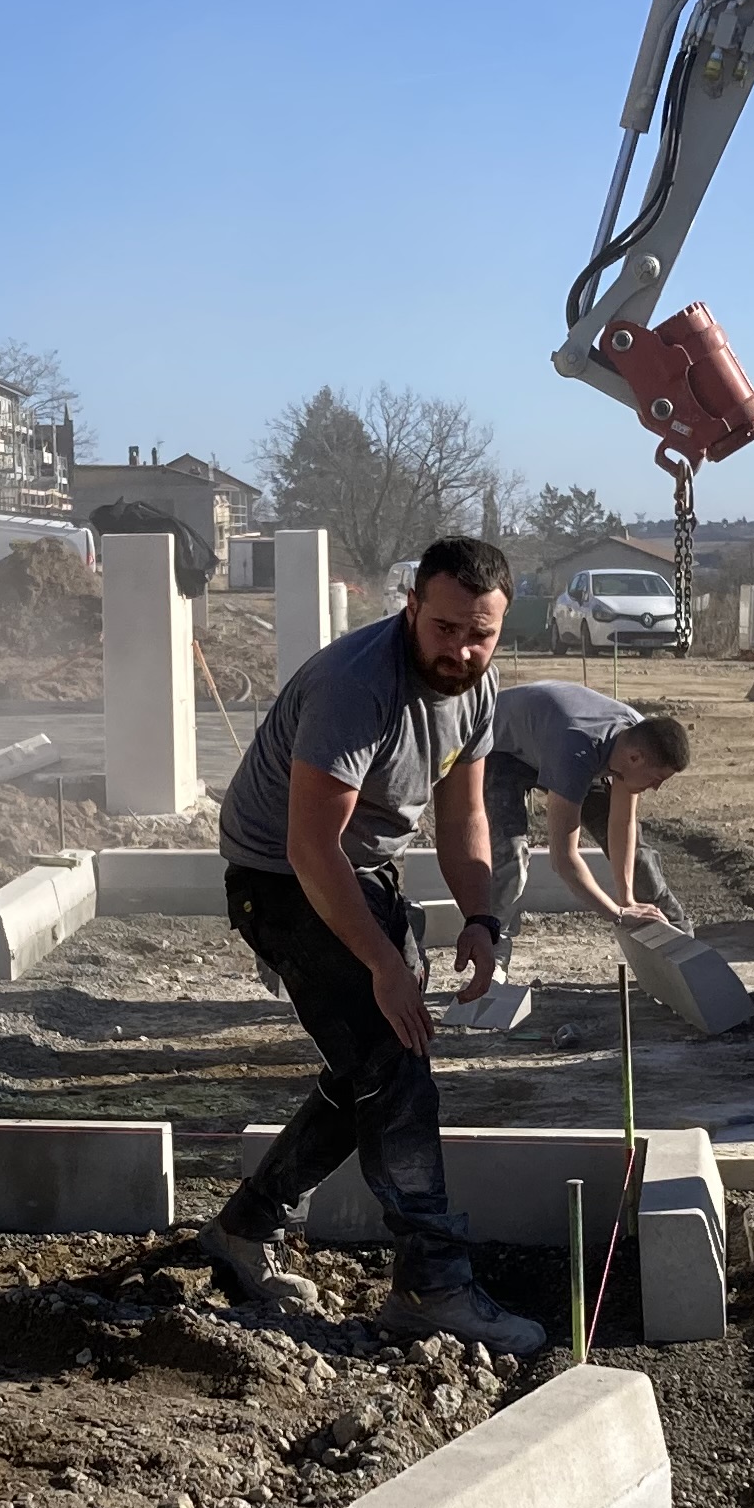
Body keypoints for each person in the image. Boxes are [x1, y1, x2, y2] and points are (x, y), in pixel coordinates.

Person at [198, 535, 546, 1355]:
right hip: (280, 880)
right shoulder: (357, 687)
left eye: (482, 633)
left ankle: (243, 1231)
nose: (462, 649)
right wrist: (385, 967)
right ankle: (434, 1286)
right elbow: (310, 850)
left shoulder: (477, 684)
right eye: (447, 627)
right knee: (393, 1067)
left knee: (373, 1070)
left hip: (364, 872)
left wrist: (481, 917)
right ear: (412, 606)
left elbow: (465, 815)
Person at [480, 681, 693, 969]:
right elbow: (564, 859)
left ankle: (683, 950)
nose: (655, 788)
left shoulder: (636, 735)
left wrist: (628, 898)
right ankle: (492, 960)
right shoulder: (576, 750)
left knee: (638, 857)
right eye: (656, 779)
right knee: (510, 857)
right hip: (501, 749)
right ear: (634, 758)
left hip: (554, 737)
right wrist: (617, 914)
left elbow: (622, 823)